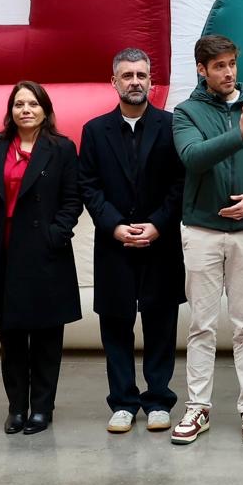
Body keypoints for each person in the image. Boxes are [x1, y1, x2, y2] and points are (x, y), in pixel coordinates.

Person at [169, 35, 243, 446]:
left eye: (232, 64)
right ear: (201, 69)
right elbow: (193, 157)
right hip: (201, 232)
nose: (228, 72)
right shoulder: (185, 112)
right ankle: (198, 408)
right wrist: (240, 133)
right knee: (201, 326)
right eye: (219, 65)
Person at [80, 49, 186, 435]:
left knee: (161, 324)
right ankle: (123, 402)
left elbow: (181, 183)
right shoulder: (95, 131)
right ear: (114, 82)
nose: (135, 81)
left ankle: (158, 400)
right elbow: (88, 185)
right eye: (127, 75)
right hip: (115, 245)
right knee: (116, 325)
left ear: (151, 81)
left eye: (141, 75)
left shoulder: (172, 126)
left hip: (161, 243)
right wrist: (114, 226)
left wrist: (158, 224)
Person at [0, 81, 83, 436]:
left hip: (46, 256)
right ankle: (17, 408)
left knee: (47, 338)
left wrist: (55, 234)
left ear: (45, 110)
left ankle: (42, 408)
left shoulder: (62, 148)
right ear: (11, 111)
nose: (26, 110)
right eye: (19, 104)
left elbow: (72, 199)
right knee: (12, 338)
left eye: (33, 104)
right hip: (2, 255)